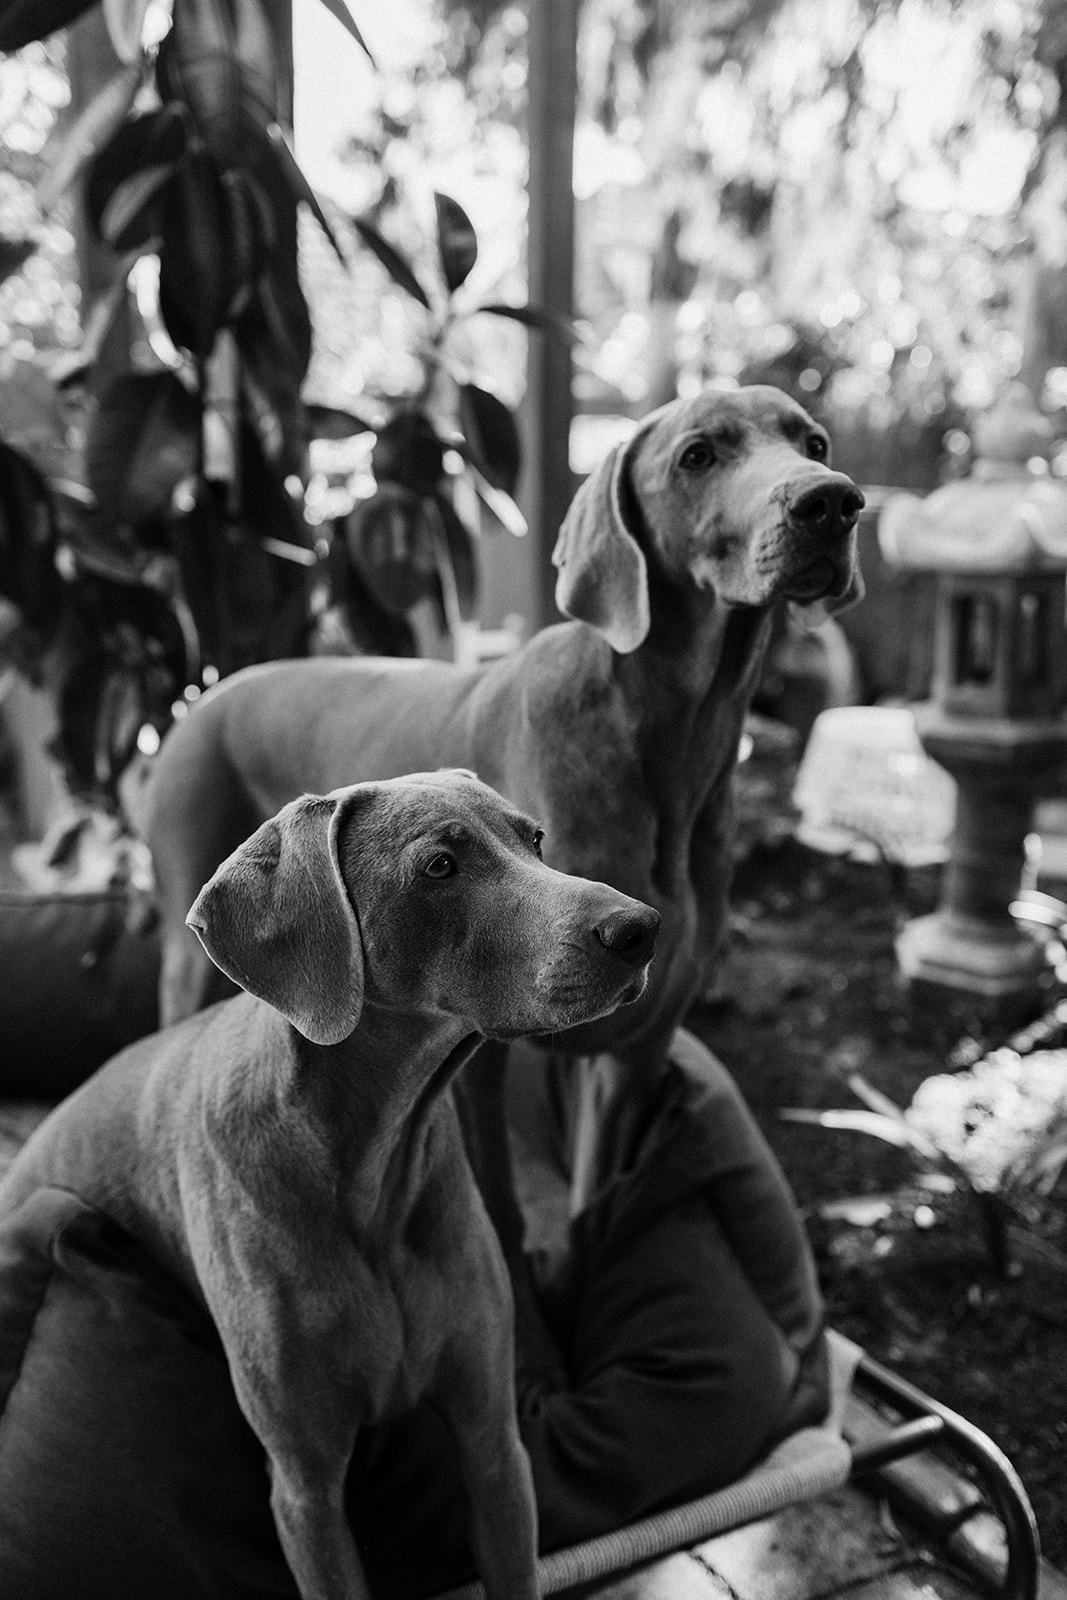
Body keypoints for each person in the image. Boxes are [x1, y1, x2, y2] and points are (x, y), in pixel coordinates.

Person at [0, 1030, 827, 1600]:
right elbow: (307, 1499)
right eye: (439, 868)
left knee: (495, 1424)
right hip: (88, 1335)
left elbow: (492, 1456)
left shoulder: (430, 1106)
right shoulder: (242, 1164)